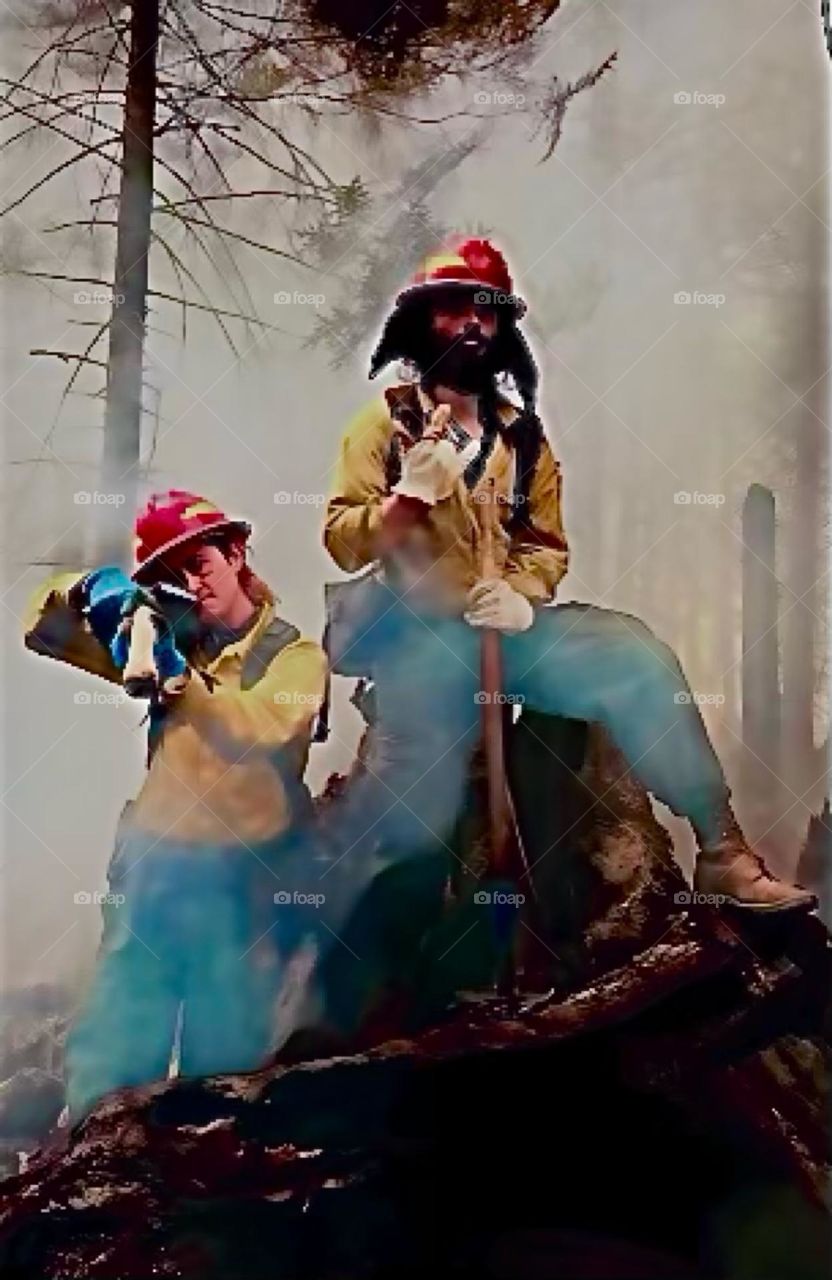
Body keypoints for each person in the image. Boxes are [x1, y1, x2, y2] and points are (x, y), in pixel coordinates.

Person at [320, 235, 814, 982]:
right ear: (423, 323)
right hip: (420, 645)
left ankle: (722, 849)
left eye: (487, 311)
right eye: (455, 309)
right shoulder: (382, 431)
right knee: (410, 821)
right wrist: (407, 499)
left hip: (506, 632)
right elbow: (341, 540)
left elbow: (544, 545)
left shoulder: (523, 439)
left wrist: (521, 596)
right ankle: (372, 990)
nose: (473, 324)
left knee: (632, 655)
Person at [24, 490, 327, 1119]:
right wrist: (97, 593)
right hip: (153, 872)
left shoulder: (295, 657)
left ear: (236, 553)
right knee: (114, 1057)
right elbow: (43, 633)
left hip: (244, 882)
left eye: (199, 564)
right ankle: (89, 1167)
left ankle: (205, 1176)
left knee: (223, 1070)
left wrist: (180, 681)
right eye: (172, 575)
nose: (191, 583)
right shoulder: (163, 635)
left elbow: (261, 729)